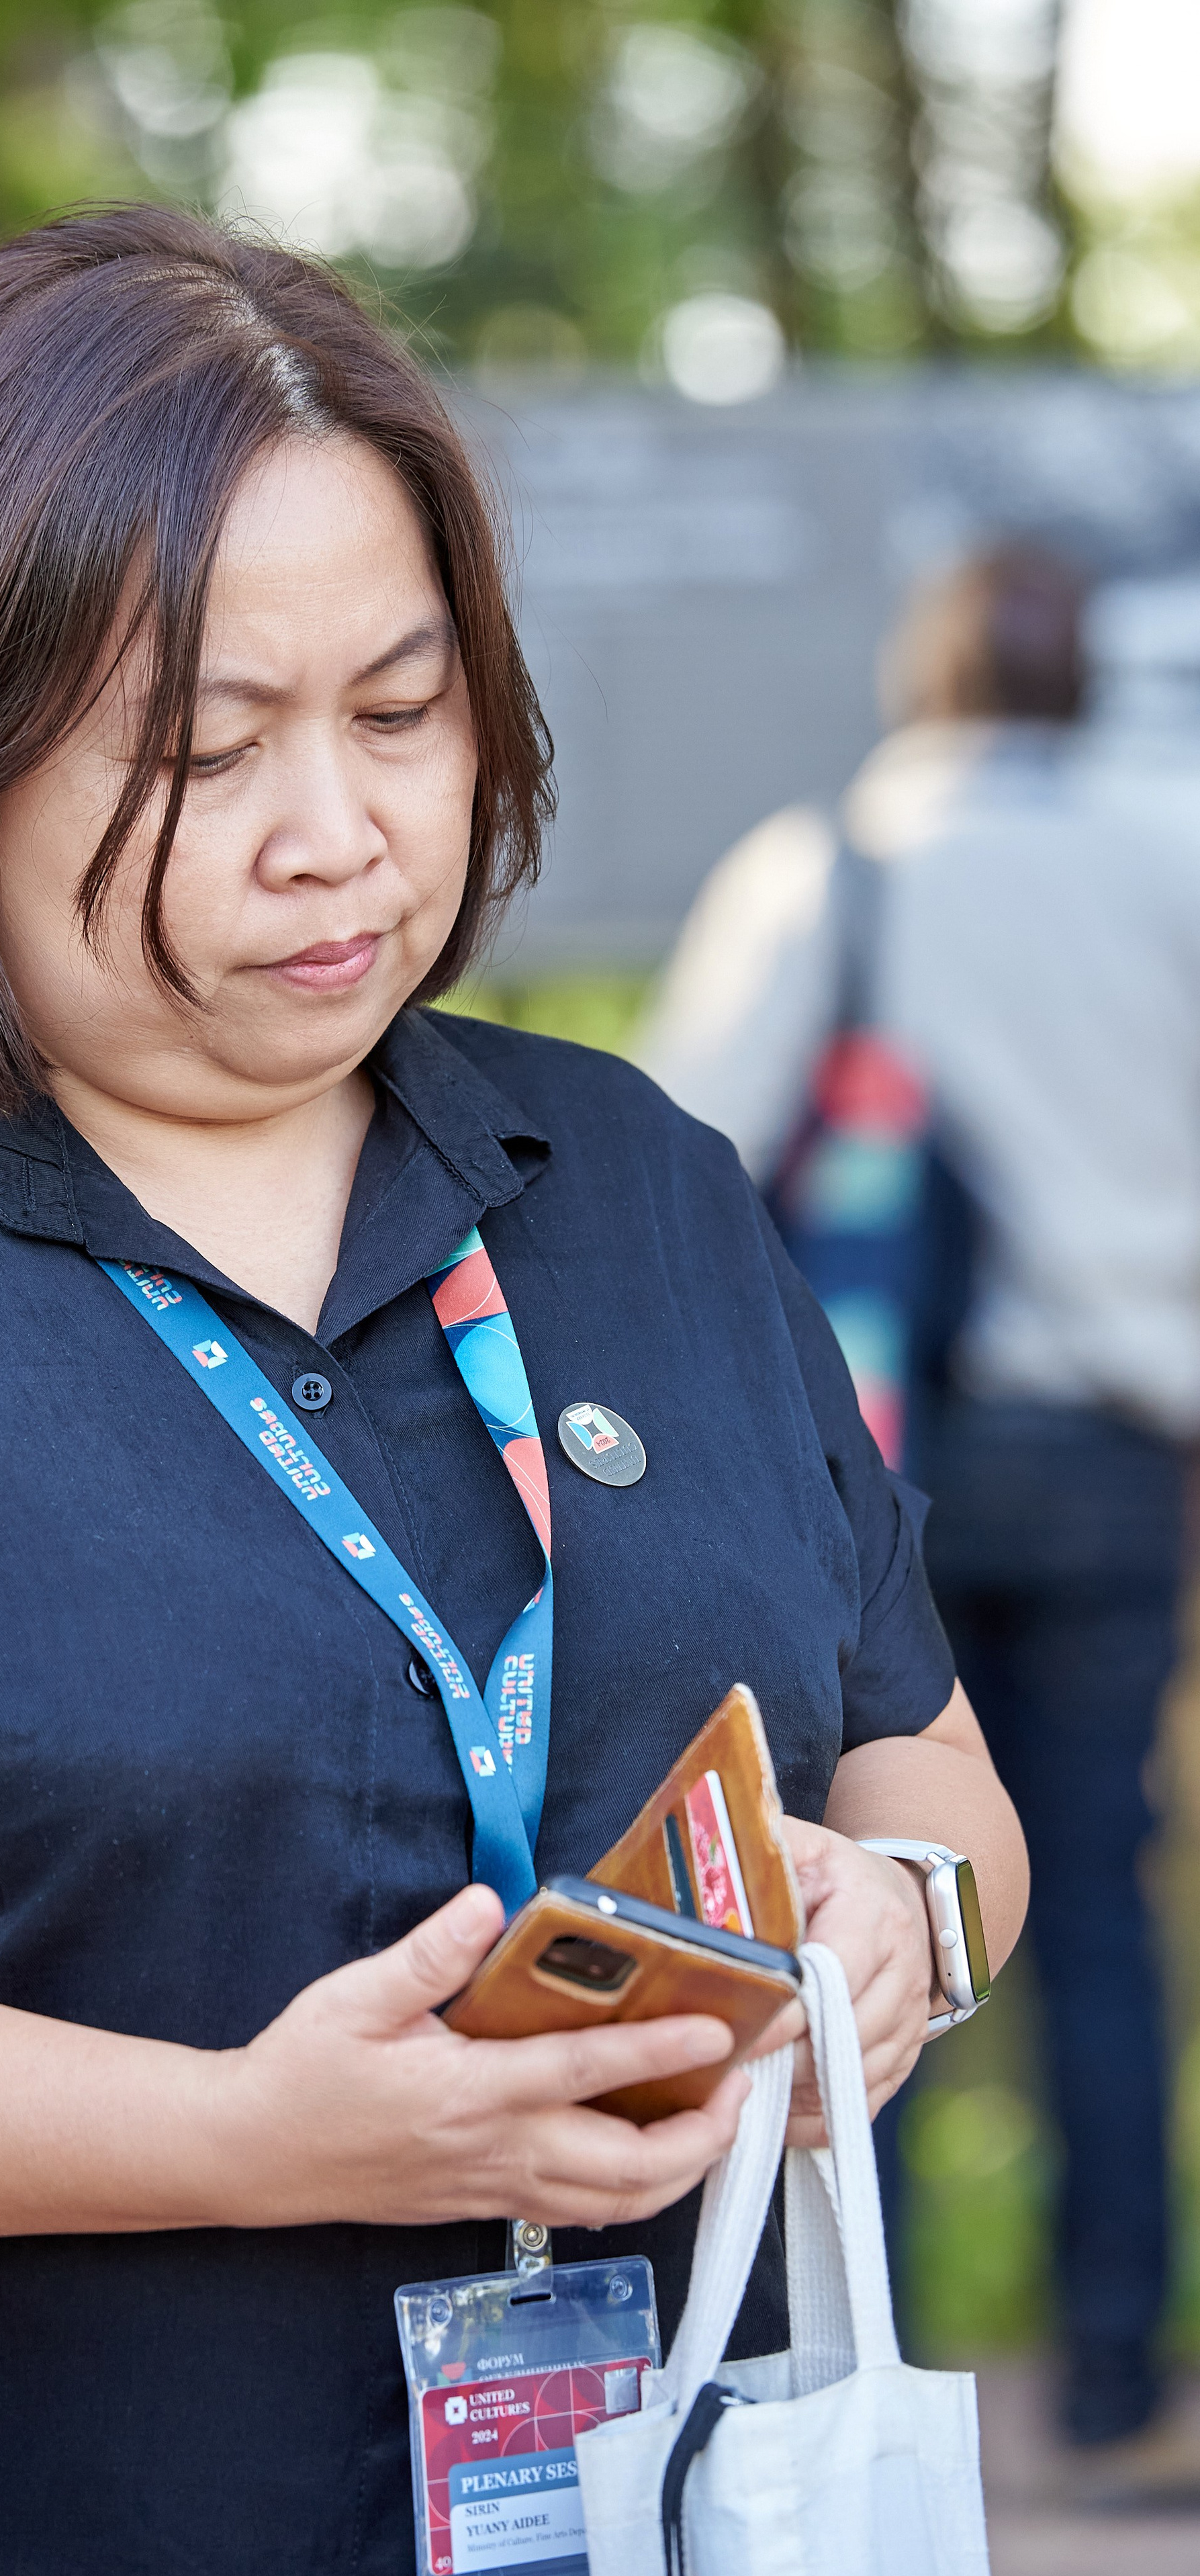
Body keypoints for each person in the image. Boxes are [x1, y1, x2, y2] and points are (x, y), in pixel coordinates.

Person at [0, 208, 1025, 2573]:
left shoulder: (640, 1186)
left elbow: (928, 1764)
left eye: (401, 713)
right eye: (203, 752)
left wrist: (905, 1915)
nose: (343, 834)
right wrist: (253, 2134)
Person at [643, 543, 1195, 2450]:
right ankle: (1117, 2380)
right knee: (1101, 1903)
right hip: (1134, 1446)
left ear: (924, 673)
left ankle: (872, 2369)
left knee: (861, 1901)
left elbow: (678, 1162)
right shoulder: (1173, 863)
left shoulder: (834, 865)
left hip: (883, 1468)